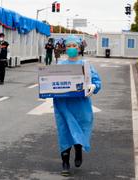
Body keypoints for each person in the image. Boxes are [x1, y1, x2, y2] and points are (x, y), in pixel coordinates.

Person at [53, 35, 101, 176]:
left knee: (80, 128)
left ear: (79, 48)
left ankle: (78, 150)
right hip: (63, 105)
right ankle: (65, 163)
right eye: (69, 46)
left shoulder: (86, 65)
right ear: (65, 48)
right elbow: (50, 83)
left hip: (81, 105)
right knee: (64, 132)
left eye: (74, 46)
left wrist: (94, 86)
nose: (72, 48)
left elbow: (97, 82)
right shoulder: (60, 65)